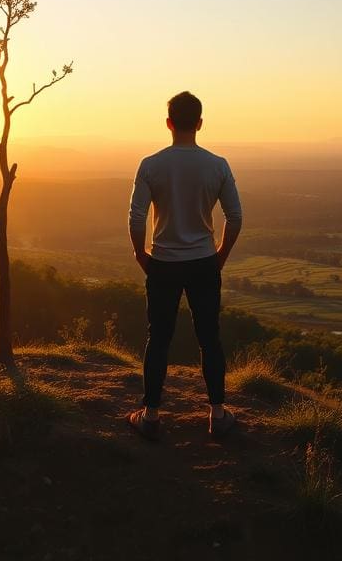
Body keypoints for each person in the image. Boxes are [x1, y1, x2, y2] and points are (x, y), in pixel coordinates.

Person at [126, 91, 243, 442]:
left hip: (162, 261)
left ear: (169, 123)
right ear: (201, 124)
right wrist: (220, 254)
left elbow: (136, 218)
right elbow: (235, 217)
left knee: (158, 338)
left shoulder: (151, 165)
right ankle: (218, 415)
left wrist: (140, 253)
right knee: (210, 338)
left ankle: (150, 416)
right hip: (204, 262)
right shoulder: (218, 165)